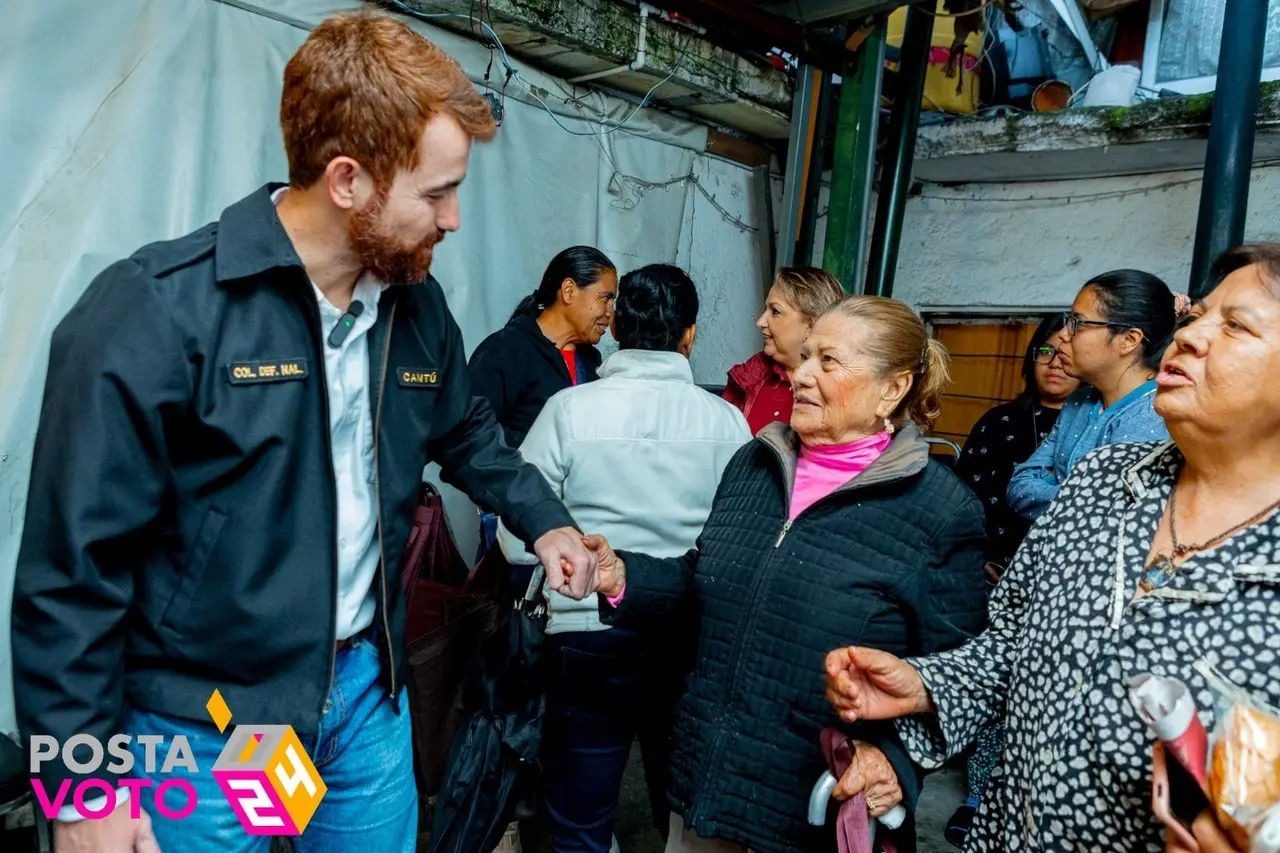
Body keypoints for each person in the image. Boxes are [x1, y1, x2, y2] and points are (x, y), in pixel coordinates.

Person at [11, 14, 597, 853]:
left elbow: (464, 428)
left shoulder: (415, 306)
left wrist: (546, 521)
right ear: (348, 180)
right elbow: (68, 577)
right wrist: (79, 791)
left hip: (362, 702)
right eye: (436, 193)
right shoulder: (157, 309)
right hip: (213, 720)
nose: (455, 219)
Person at [824, 245, 1280, 852]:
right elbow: (1014, 640)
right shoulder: (1102, 479)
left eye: (1236, 325)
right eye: (1196, 316)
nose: (1191, 337)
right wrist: (928, 684)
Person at [585, 296, 990, 853]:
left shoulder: (939, 509)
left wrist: (896, 761)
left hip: (818, 800)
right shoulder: (754, 465)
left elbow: (962, 671)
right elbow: (706, 582)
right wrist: (623, 577)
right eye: (804, 358)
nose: (800, 375)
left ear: (892, 389)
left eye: (828, 362)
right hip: (710, 777)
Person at [496, 264, 751, 853]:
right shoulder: (728, 423)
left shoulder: (570, 410)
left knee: (580, 821)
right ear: (690, 335)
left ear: (615, 330)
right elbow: (740, 544)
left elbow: (516, 539)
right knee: (685, 815)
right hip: (688, 637)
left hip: (586, 633)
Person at [945, 314, 1079, 846]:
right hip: (990, 571)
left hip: (1056, 584)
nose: (1055, 362)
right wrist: (982, 562)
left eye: (1066, 353)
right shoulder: (1000, 422)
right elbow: (966, 503)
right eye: (1045, 352)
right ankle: (977, 798)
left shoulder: (1091, 424)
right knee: (992, 683)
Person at [1007, 270, 1176, 520]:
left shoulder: (1154, 416)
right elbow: (1019, 487)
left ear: (1128, 340)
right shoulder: (1080, 401)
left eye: (1078, 323)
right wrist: (1072, 491)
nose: (1064, 334)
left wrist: (1054, 479)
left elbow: (1097, 514)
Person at [469, 246, 618, 450]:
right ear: (569, 291)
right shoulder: (504, 352)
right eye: (605, 298)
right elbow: (469, 435)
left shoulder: (591, 360)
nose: (610, 311)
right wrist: (539, 453)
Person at [722, 267, 845, 435]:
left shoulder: (838, 393)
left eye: (775, 312)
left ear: (811, 325)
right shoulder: (750, 376)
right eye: (765, 310)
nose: (760, 322)